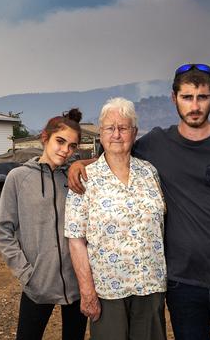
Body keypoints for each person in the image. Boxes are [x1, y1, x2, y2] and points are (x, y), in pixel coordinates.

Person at [68, 63, 210, 340]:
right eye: (187, 97)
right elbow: (116, 151)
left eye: (202, 97)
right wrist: (80, 164)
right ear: (173, 98)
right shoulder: (157, 143)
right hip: (182, 285)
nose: (195, 106)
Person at [64, 97, 167, 340]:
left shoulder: (150, 172)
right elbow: (76, 239)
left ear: (134, 132)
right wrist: (87, 290)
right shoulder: (85, 178)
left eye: (123, 128)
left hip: (150, 286)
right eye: (110, 128)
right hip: (107, 290)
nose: (117, 134)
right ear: (101, 133)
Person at [0, 108, 88, 340]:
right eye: (60, 141)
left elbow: (109, 159)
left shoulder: (76, 178)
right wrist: (27, 274)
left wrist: (81, 163)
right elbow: (5, 232)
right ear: (44, 138)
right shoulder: (18, 178)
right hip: (38, 283)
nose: (66, 150)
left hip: (76, 282)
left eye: (72, 146)